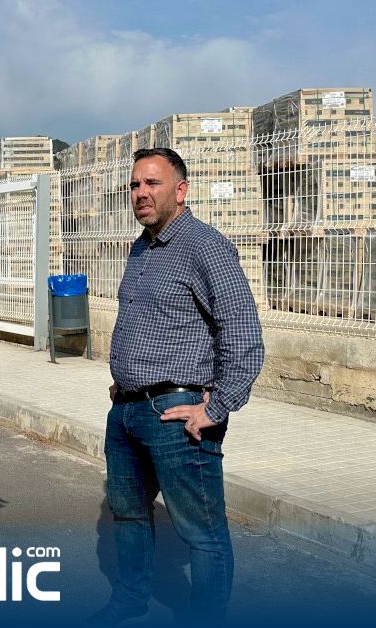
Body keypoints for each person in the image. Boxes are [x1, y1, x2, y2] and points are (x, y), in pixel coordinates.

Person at [95, 147, 264, 626]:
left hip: (177, 416)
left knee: (201, 531)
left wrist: (218, 406)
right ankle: (130, 600)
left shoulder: (205, 246)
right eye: (135, 184)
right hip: (127, 412)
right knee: (128, 515)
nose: (140, 193)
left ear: (181, 190)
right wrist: (126, 381)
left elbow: (243, 333)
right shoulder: (141, 247)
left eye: (152, 183)